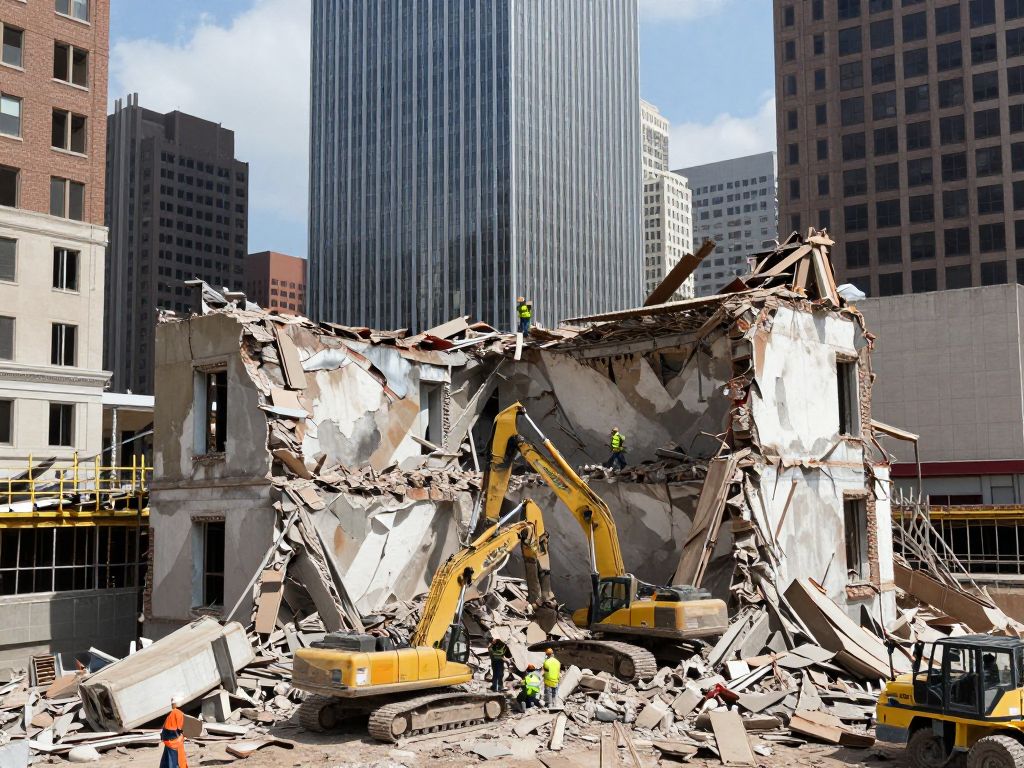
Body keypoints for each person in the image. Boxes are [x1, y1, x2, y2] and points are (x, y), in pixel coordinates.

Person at [159, 694, 188, 768]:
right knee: (176, 761)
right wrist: (184, 736)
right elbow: (182, 727)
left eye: (172, 703)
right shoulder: (178, 713)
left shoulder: (171, 714)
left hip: (168, 740)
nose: (172, 704)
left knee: (167, 760)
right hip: (175, 741)